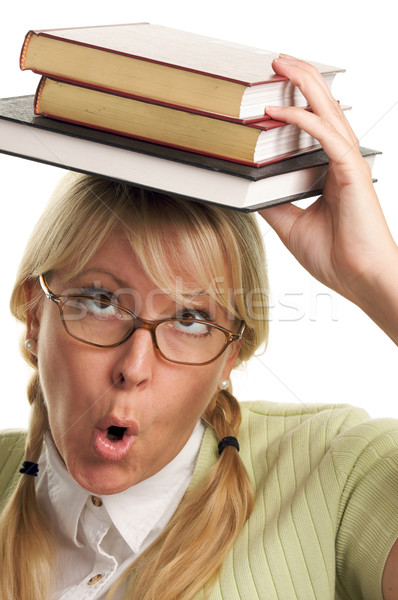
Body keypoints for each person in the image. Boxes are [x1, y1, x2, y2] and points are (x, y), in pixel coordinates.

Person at [0, 55, 397, 600]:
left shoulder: (341, 469)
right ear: (35, 312)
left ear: (231, 356)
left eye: (191, 319)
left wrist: (378, 277)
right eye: (99, 300)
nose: (133, 368)